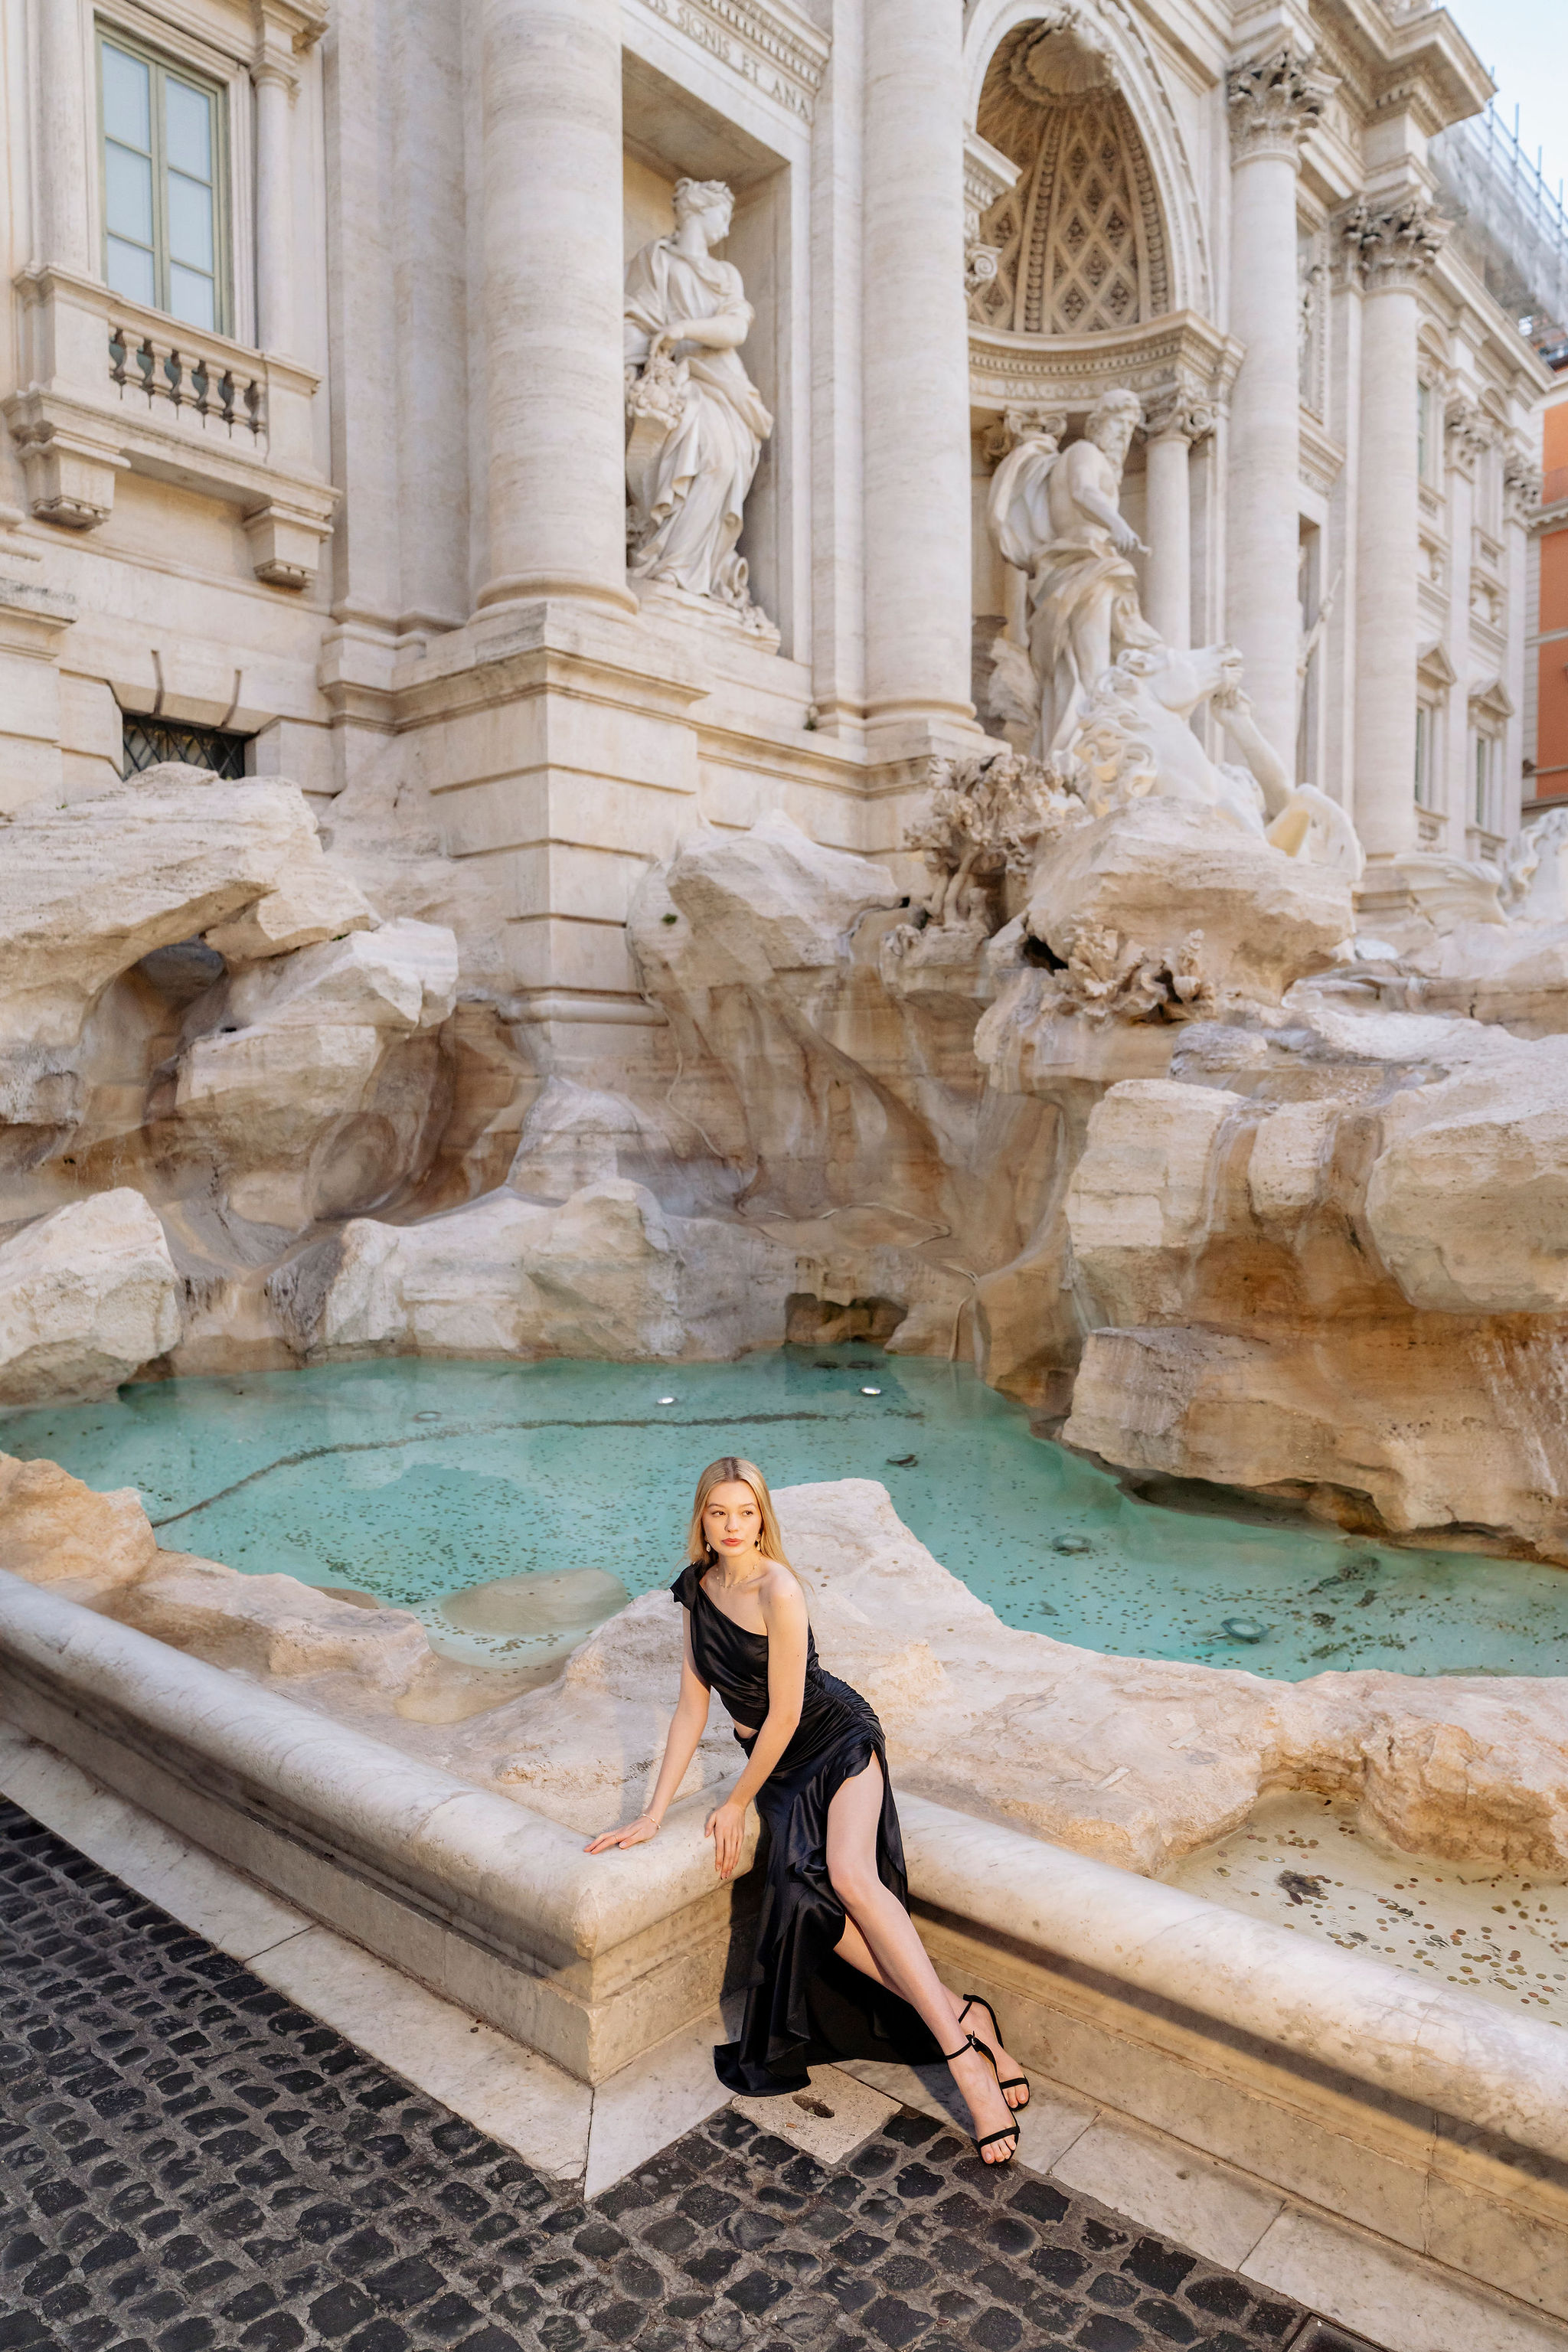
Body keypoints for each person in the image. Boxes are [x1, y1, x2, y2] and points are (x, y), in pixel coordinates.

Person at [586, 1455, 1026, 2164]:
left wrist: (733, 1803)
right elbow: (692, 1706)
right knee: (813, 1905)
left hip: (833, 1738)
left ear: (765, 1517)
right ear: (701, 1516)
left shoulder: (779, 1589)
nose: (733, 1526)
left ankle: (964, 2064)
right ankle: (965, 2016)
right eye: (719, 1512)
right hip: (781, 1769)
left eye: (747, 1512)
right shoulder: (698, 1589)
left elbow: (788, 1712)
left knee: (850, 1877)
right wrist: (652, 1812)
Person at [987, 387, 1161, 766]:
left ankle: (1071, 748)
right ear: (1097, 425)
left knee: (1084, 666)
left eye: (1129, 430)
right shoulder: (1084, 453)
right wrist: (1118, 524)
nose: (1122, 437)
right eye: (1118, 427)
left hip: (1086, 565)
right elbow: (1083, 491)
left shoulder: (1090, 459)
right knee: (1092, 665)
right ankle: (1084, 756)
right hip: (1082, 562)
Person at [623, 179, 773, 612]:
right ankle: (667, 564)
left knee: (721, 461)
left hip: (721, 385)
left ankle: (688, 570)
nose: (726, 231)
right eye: (722, 218)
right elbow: (634, 318)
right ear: (699, 212)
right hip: (673, 382)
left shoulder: (726, 274)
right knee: (688, 451)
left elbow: (736, 329)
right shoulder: (654, 262)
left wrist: (682, 329)